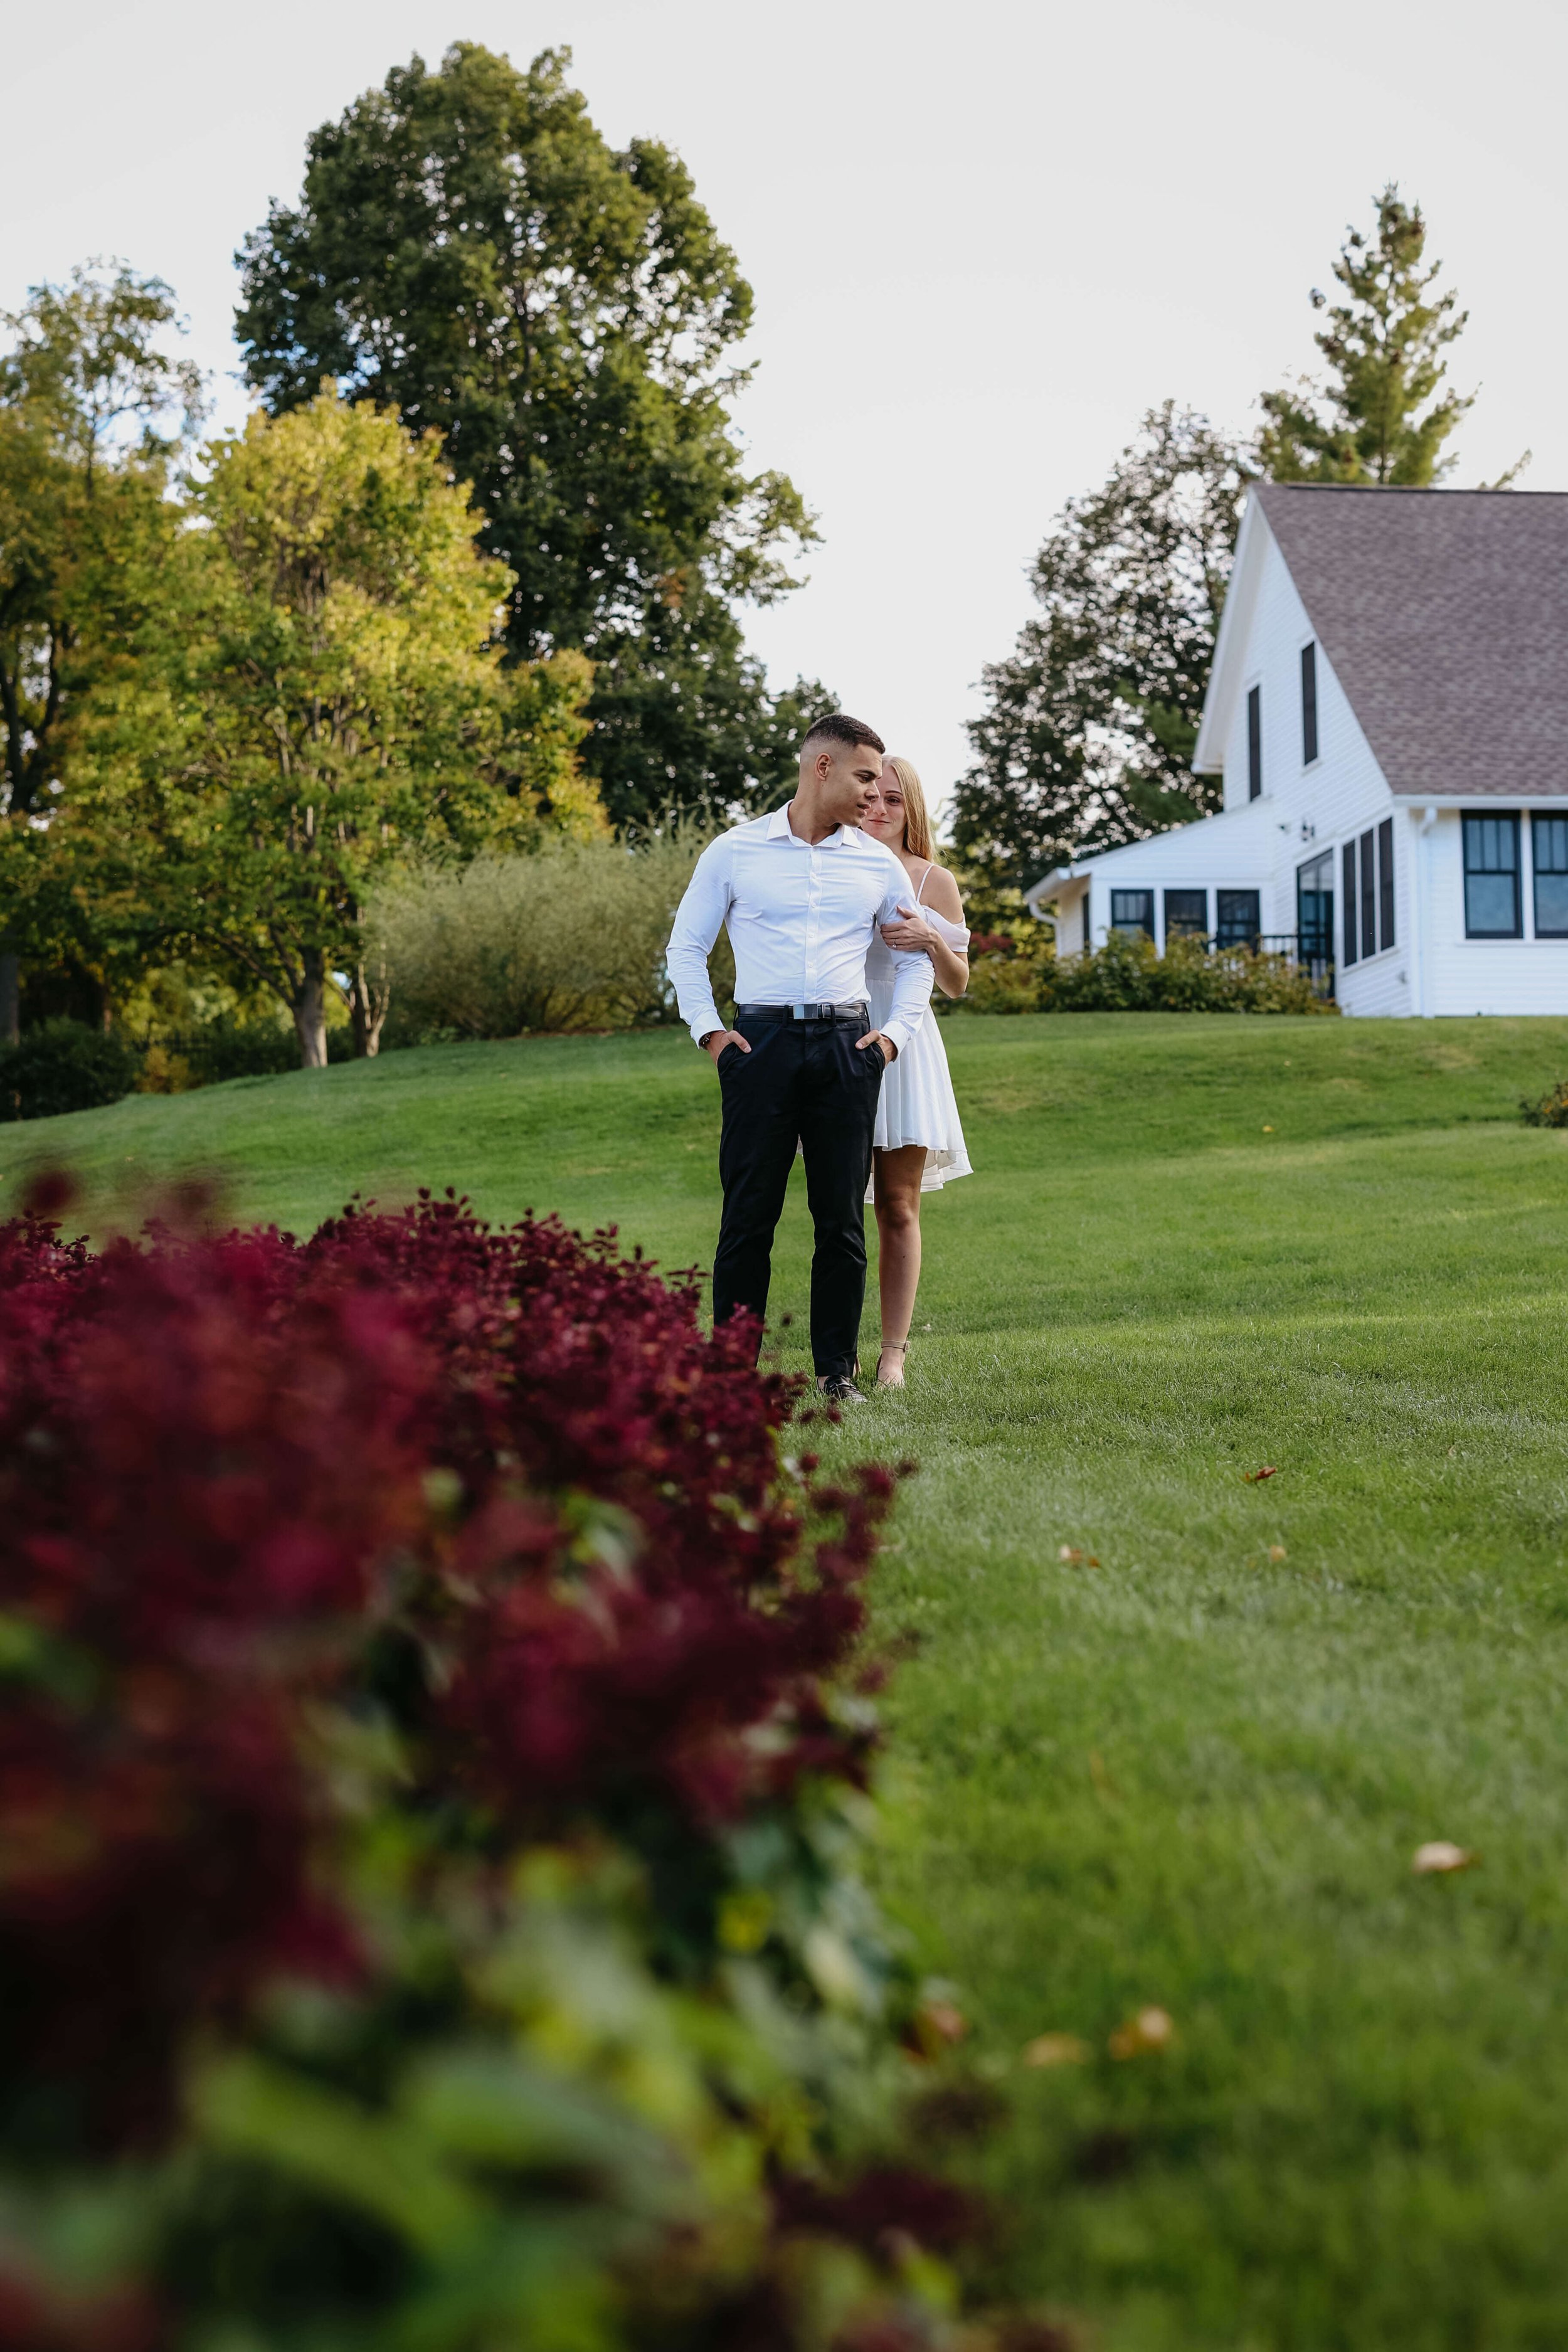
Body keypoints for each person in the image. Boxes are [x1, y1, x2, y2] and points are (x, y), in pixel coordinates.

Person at [665, 714, 934, 1402]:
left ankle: (836, 1374)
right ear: (823, 768)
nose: (876, 796)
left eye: (881, 784)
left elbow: (916, 956)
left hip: (849, 1049)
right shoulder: (734, 851)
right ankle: (731, 1373)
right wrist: (710, 1032)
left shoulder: (875, 864)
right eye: (865, 778)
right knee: (747, 1214)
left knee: (840, 1219)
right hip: (759, 1047)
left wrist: (894, 1036)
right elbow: (685, 949)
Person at [859, 756, 973, 1389]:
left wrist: (931, 938)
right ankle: (833, 1351)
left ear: (913, 811)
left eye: (894, 801)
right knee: (839, 1208)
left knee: (897, 1207)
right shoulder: (833, 865)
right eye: (871, 796)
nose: (879, 809)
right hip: (841, 1040)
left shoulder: (933, 880)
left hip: (908, 1049)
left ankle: (893, 1355)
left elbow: (956, 985)